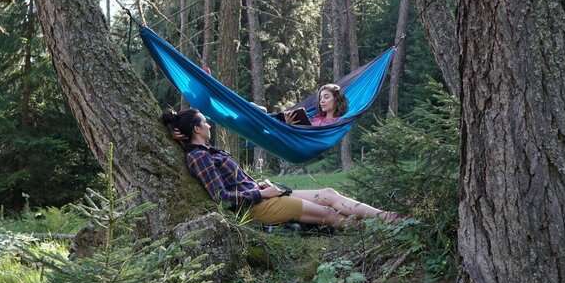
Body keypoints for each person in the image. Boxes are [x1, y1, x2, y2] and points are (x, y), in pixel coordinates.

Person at [161, 108, 400, 227]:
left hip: (265, 195)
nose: (209, 124)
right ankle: (375, 231)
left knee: (328, 194)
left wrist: (260, 186)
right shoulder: (199, 157)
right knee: (329, 214)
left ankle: (388, 218)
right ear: (196, 129)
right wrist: (260, 193)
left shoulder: (211, 150)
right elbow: (221, 198)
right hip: (257, 207)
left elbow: (236, 181)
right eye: (205, 121)